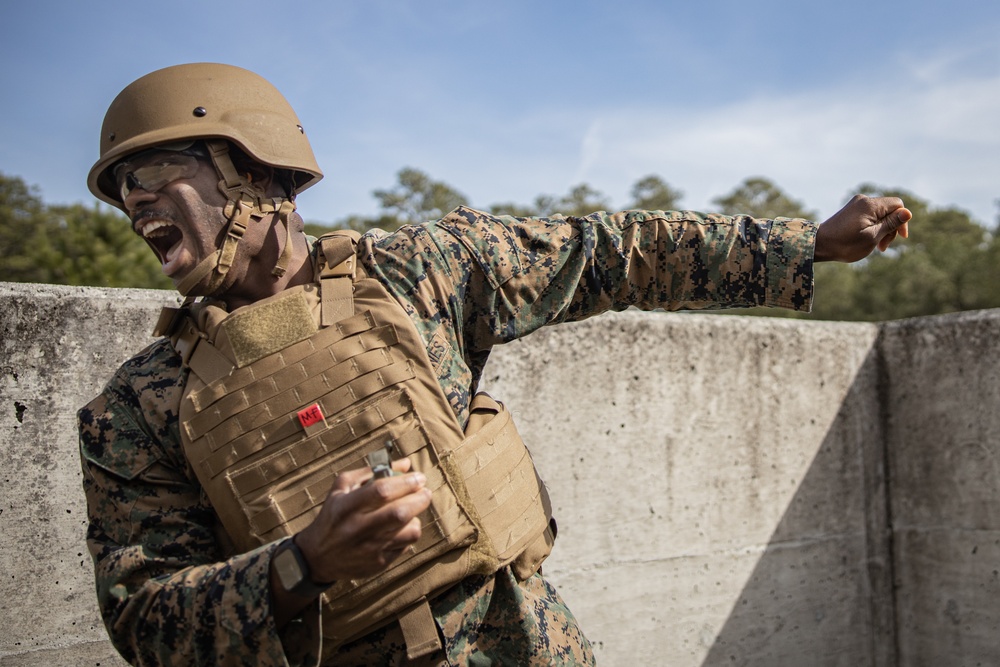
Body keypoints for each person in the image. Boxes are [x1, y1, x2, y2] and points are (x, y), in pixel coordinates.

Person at [79, 63, 911, 667]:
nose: (137, 201)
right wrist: (304, 563)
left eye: (155, 172)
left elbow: (612, 253)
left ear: (254, 168)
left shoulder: (418, 273)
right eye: (122, 188)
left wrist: (810, 245)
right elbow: (144, 618)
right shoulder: (141, 407)